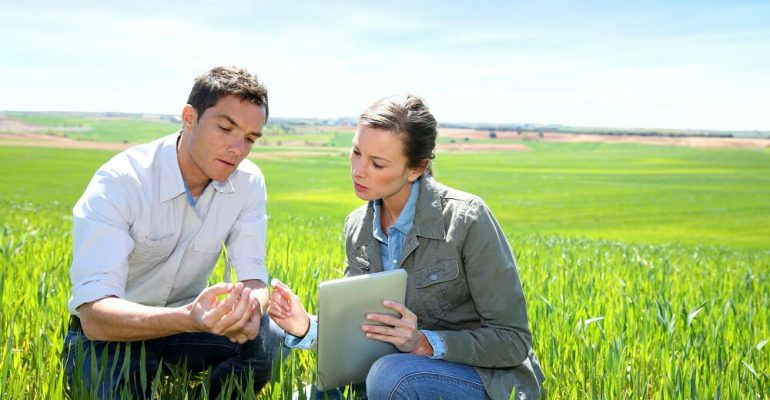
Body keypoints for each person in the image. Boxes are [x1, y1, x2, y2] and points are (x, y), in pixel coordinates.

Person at [268, 94, 544, 400]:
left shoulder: (467, 219)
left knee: (392, 377)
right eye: (356, 152)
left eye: (377, 163)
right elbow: (361, 332)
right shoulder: (357, 226)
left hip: (484, 379)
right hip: (391, 371)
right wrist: (305, 325)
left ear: (416, 169)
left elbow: (512, 340)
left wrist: (424, 342)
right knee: (309, 395)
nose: (358, 170)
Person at [63, 66, 284, 399]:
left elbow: (254, 279)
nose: (238, 148)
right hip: (113, 333)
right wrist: (189, 318)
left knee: (271, 338)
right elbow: (95, 316)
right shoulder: (121, 182)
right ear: (189, 117)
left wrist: (248, 310)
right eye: (226, 128)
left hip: (189, 327)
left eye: (251, 138)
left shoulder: (248, 183)